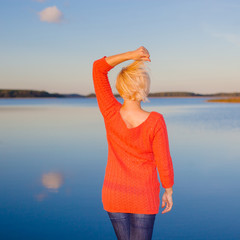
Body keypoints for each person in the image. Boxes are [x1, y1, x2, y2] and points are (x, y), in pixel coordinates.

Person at [92, 46, 174, 240]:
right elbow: (164, 161)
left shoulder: (110, 112)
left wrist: (132, 55)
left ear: (121, 86)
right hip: (143, 196)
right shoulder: (155, 121)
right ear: (144, 87)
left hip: (114, 194)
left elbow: (98, 68)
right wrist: (168, 189)